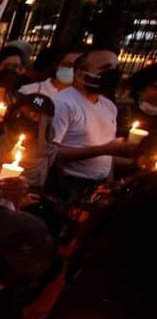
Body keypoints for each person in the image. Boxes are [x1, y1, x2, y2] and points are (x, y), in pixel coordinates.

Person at [50, 47, 130, 205]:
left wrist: (109, 184)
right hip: (70, 186)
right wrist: (104, 149)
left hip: (99, 187)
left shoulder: (108, 106)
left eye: (116, 68)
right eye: (105, 69)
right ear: (80, 75)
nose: (112, 74)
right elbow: (52, 152)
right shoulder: (63, 104)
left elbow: (107, 156)